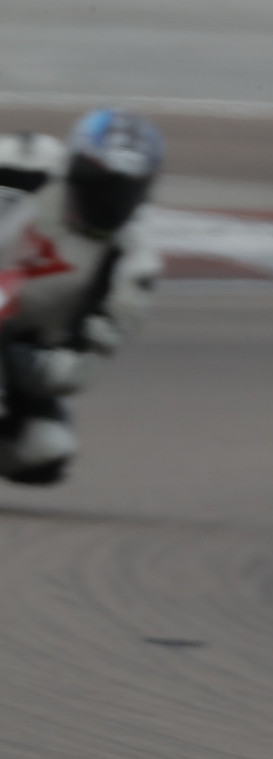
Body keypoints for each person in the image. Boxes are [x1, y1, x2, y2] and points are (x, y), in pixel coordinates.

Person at [0, 109, 164, 484]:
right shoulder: (28, 159)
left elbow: (81, 368)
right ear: (74, 165)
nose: (107, 198)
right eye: (97, 181)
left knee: (44, 452)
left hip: (18, 344)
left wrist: (24, 361)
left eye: (122, 189)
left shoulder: (133, 264)